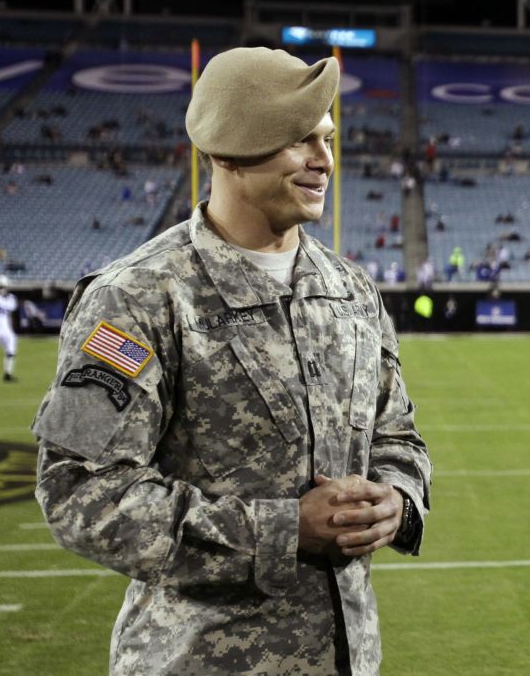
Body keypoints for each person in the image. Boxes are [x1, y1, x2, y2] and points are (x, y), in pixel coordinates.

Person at [31, 47, 431, 676]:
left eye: (326, 138)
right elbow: (80, 491)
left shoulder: (351, 290)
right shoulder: (137, 296)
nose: (324, 161)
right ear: (225, 150)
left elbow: (398, 438)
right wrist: (282, 530)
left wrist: (397, 500)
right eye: (299, 140)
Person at [0, 274, 19, 382]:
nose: (0, 289)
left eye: (2, 287)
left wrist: (12, 328)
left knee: (11, 348)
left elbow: (11, 315)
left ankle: (8, 374)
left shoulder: (11, 299)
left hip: (5, 328)